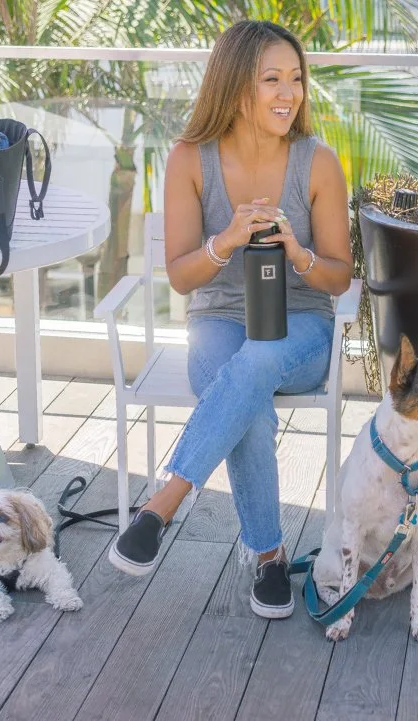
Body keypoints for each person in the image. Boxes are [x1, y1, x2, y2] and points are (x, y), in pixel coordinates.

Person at [107, 20, 353, 619]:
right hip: (216, 318)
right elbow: (184, 277)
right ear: (235, 86)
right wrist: (227, 240)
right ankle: (269, 556)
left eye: (295, 79)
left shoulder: (316, 162)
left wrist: (297, 254)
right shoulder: (191, 159)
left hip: (301, 325)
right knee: (246, 398)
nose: (288, 93)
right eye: (272, 79)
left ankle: (162, 504)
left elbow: (341, 277)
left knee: (257, 362)